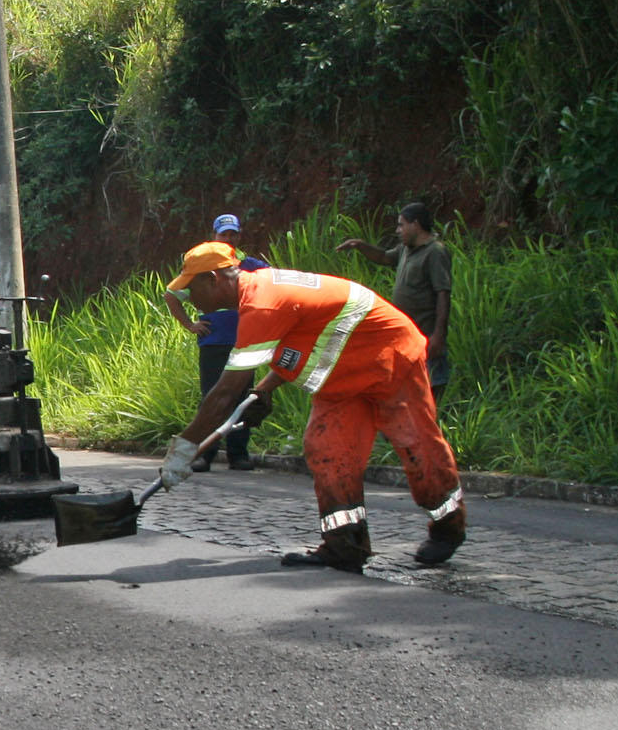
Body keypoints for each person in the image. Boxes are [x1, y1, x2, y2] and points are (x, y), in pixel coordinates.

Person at [160, 241, 467, 570]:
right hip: (344, 377)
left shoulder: (262, 303)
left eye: (191, 288)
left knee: (415, 443)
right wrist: (263, 390)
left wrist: (184, 448)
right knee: (326, 448)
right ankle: (345, 545)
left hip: (390, 356)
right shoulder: (258, 293)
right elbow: (306, 340)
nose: (190, 298)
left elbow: (225, 393)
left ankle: (448, 526)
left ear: (213, 279)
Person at [164, 212, 268, 470]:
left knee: (243, 395)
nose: (229, 238)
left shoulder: (248, 263)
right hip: (213, 340)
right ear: (214, 235)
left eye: (234, 234)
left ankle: (238, 454)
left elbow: (271, 284)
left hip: (245, 340)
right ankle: (204, 454)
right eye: (224, 234)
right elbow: (172, 295)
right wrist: (190, 324)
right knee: (212, 395)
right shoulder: (202, 264)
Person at [337, 202, 451, 395]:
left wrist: (439, 335)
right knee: (410, 383)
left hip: (427, 331)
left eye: (401, 225)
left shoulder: (435, 252)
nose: (398, 230)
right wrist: (360, 245)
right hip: (407, 332)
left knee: (433, 382)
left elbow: (443, 293)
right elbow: (384, 257)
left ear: (415, 224)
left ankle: (437, 418)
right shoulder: (406, 249)